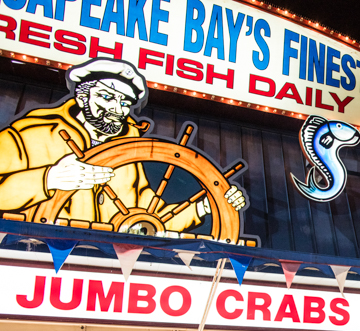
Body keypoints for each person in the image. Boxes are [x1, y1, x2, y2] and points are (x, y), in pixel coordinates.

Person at [0, 58, 244, 229]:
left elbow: (147, 220)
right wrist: (48, 179)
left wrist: (204, 206)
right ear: (82, 95)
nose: (117, 109)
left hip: (109, 270)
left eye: (125, 102)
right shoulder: (29, 134)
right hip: (32, 259)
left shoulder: (130, 151)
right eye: (107, 97)